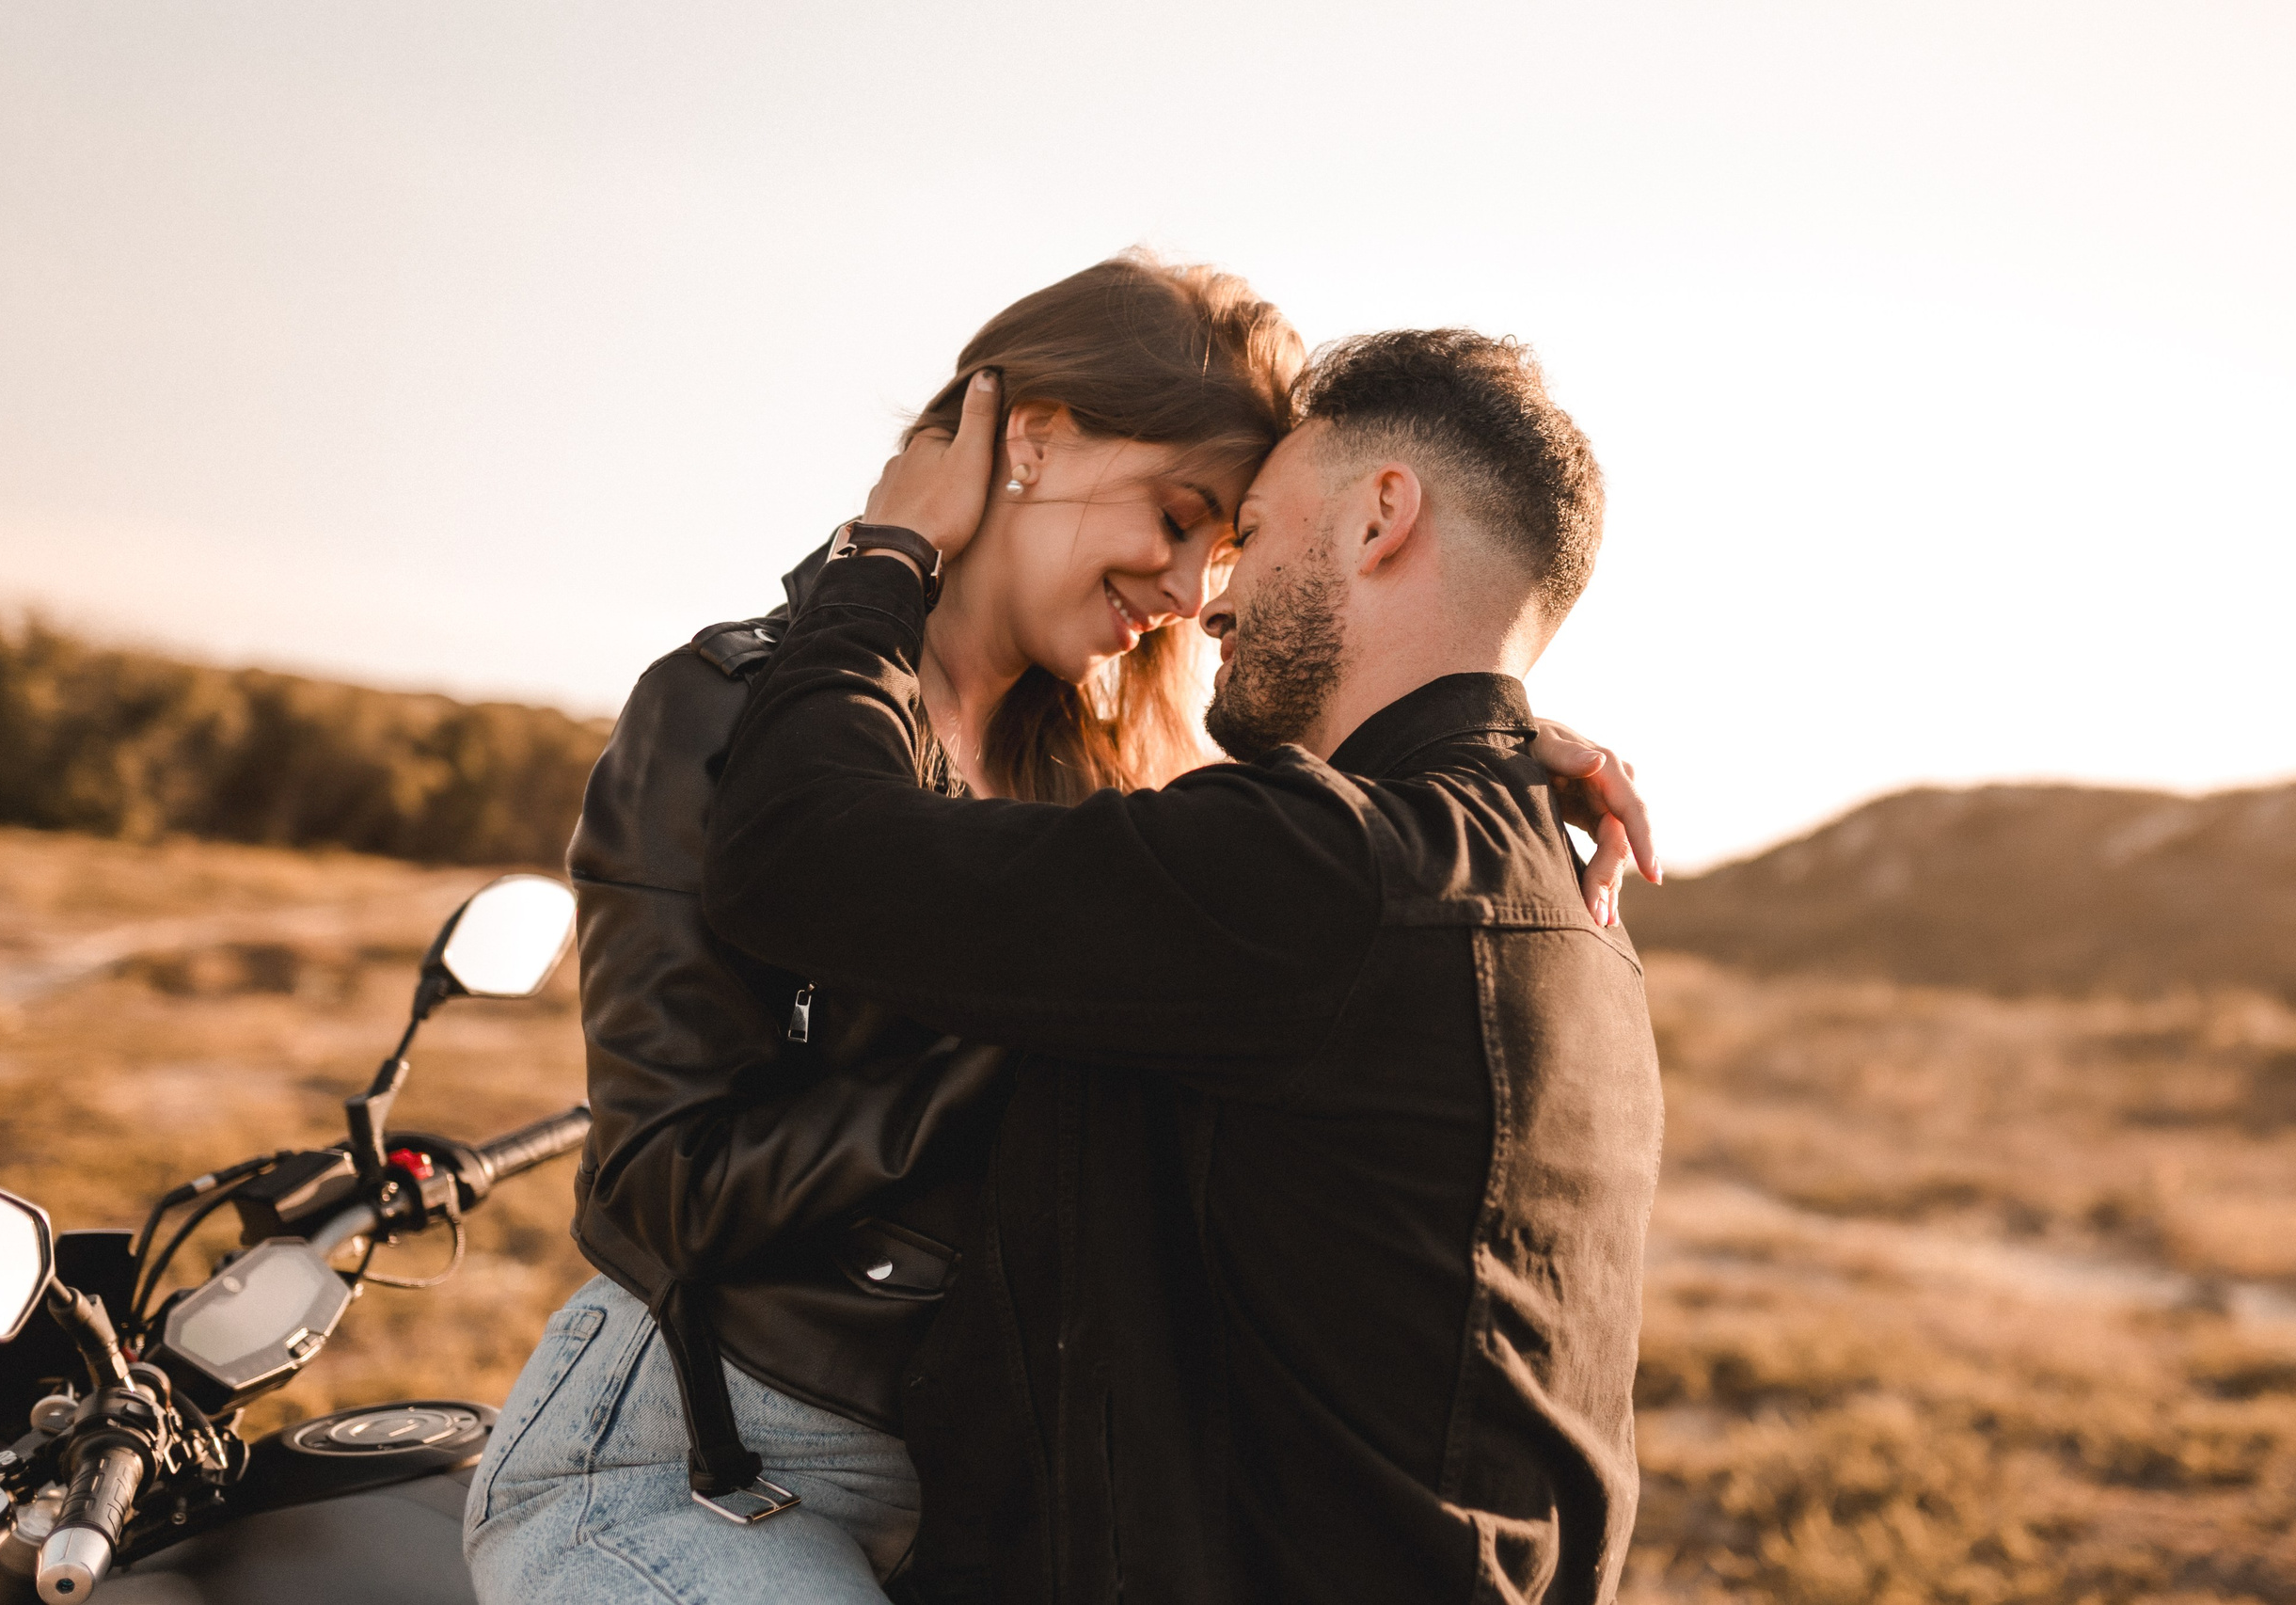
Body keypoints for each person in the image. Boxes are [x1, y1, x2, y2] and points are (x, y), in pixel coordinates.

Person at [464, 260, 1654, 1603]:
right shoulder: (729, 709)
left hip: (984, 1497)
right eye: (1186, 512)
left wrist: (1483, 753)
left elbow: (1312, 886)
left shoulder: (1128, 785)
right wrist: (1026, 1034)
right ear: (1027, 442)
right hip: (700, 1450)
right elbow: (659, 1177)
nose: (1201, 586)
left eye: (1231, 539)